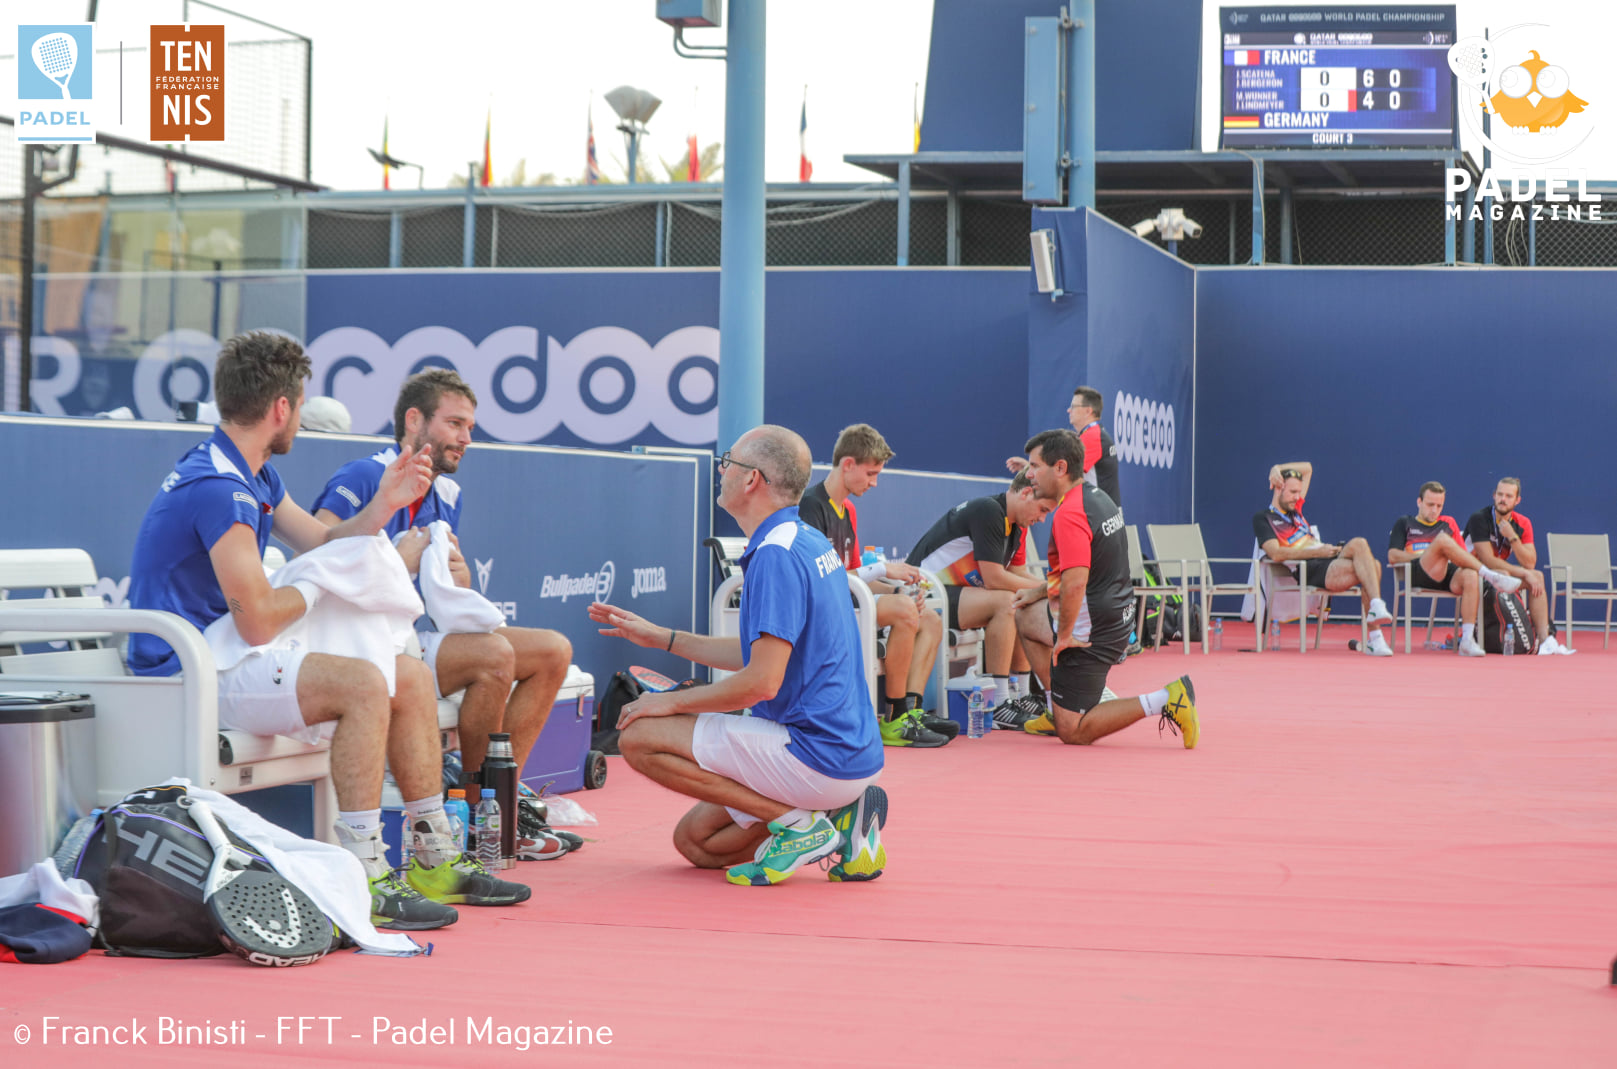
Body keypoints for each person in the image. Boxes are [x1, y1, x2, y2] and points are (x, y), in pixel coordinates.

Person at [127, 332, 528, 932]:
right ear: (283, 408)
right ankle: (363, 874)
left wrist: (382, 509)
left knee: (408, 676)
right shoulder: (219, 487)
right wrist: (319, 586)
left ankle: (433, 857)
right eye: (301, 400)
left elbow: (320, 542)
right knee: (365, 685)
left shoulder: (250, 473)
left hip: (225, 653)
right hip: (187, 672)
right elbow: (259, 615)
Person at [586, 425, 888, 887]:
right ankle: (840, 815)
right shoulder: (802, 539)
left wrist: (670, 702)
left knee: (638, 736)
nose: (721, 470)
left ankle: (799, 824)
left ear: (752, 480)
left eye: (728, 461)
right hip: (846, 754)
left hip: (814, 752)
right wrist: (663, 638)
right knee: (698, 844)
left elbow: (762, 682)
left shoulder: (775, 555)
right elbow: (759, 654)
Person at [311, 368, 578, 859]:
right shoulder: (365, 474)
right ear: (415, 420)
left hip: (412, 640)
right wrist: (395, 557)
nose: (466, 438)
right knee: (494, 656)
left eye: (470, 428)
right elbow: (316, 551)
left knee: (553, 652)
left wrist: (459, 581)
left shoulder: (446, 493)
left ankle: (501, 801)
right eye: (455, 424)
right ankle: (480, 815)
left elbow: (433, 593)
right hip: (361, 648)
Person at [1010, 429, 1198, 747]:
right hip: (1115, 616)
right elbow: (1086, 571)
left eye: (1034, 466)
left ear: (1059, 468)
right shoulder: (1098, 498)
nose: (1029, 474)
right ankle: (1056, 707)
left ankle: (1166, 698)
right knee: (1026, 617)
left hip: (1091, 631)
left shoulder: (1069, 514)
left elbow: (1075, 582)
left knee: (1073, 731)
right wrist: (1037, 593)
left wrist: (1065, 636)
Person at [797, 423, 950, 747]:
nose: (874, 482)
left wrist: (896, 590)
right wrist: (884, 569)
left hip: (850, 603)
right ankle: (893, 718)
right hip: (823, 610)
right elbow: (825, 577)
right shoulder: (811, 505)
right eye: (870, 473)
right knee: (906, 612)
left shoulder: (848, 509)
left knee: (931, 620)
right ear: (847, 464)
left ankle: (912, 709)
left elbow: (853, 574)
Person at [906, 470, 1051, 726]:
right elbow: (995, 578)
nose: (1041, 518)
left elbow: (1017, 573)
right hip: (926, 593)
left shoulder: (1018, 525)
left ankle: (1024, 694)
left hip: (958, 594)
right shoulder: (990, 510)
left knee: (1026, 599)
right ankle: (999, 703)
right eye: (1042, 510)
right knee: (1008, 602)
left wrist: (1045, 589)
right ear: (1026, 493)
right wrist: (1047, 588)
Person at [1255, 462, 1395, 656]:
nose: (1297, 497)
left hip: (1326, 557)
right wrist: (1317, 552)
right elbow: (1277, 553)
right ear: (1279, 488)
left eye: (1299, 492)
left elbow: (1308, 468)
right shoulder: (1264, 518)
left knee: (1362, 547)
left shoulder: (1296, 512)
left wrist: (1276, 467)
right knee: (1374, 566)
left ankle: (1376, 609)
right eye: (1293, 492)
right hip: (1310, 568)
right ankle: (1376, 636)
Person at [1387, 480, 1522, 657]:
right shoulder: (1405, 522)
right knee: (1442, 541)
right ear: (1419, 502)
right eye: (1430, 505)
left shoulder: (1448, 523)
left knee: (1470, 574)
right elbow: (1393, 556)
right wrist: (1430, 553)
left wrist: (1444, 555)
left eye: (1439, 506)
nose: (1434, 510)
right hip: (1419, 571)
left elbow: (1462, 556)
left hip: (1447, 575)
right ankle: (1488, 574)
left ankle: (1467, 640)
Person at [1463, 477, 1572, 655]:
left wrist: (1513, 536)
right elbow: (1487, 560)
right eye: (1500, 494)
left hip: (1498, 576)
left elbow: (1530, 562)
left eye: (1508, 496)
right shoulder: (1479, 518)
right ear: (1493, 495)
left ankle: (1545, 640)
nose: (1503, 499)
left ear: (1517, 500)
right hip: (1472, 574)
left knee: (1537, 576)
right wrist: (1523, 573)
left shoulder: (1522, 523)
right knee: (1505, 571)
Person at [1007, 386, 1120, 507]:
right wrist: (1032, 468)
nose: (1068, 410)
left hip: (1099, 513)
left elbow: (1063, 473)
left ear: (1088, 411)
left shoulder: (1092, 436)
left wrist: (1031, 469)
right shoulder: (1097, 434)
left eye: (1073, 407)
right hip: (1105, 513)